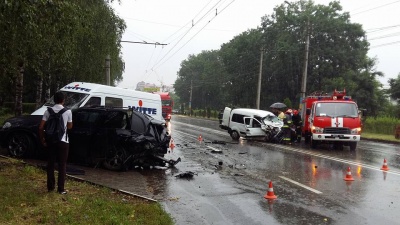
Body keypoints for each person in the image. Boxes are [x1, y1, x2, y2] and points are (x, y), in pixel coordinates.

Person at [39, 91, 73, 195]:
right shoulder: (68, 111)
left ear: (54, 100)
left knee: (51, 164)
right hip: (63, 141)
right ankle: (61, 189)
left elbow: (41, 127)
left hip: (51, 141)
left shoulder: (48, 111)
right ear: (63, 100)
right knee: (62, 165)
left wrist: (43, 139)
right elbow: (70, 126)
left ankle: (50, 187)